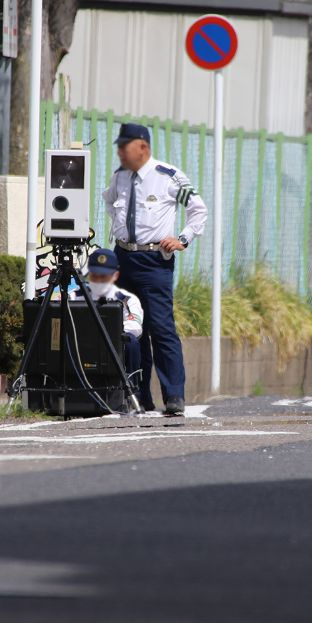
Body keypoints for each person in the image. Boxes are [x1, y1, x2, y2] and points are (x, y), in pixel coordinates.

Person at [102, 123, 207, 415]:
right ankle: (138, 396)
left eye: (126, 146)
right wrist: (119, 231)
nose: (120, 152)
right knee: (130, 328)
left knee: (160, 328)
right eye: (119, 147)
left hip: (153, 262)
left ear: (143, 148)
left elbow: (198, 208)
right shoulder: (120, 176)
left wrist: (183, 239)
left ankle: (174, 396)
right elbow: (109, 201)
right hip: (123, 258)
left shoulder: (168, 176)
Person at [69, 248, 143, 387]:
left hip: (113, 343)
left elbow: (136, 327)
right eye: (95, 276)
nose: (98, 280)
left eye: (104, 277)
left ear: (115, 275)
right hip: (80, 343)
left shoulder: (127, 299)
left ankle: (132, 389)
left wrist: (107, 331)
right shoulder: (74, 296)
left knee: (131, 343)